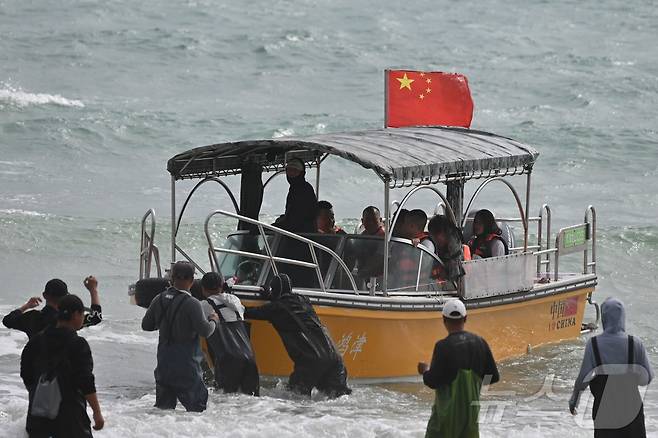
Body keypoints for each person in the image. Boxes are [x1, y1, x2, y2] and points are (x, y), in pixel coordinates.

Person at [244, 274, 351, 398]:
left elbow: (247, 312)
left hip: (311, 360)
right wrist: (272, 298)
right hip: (334, 359)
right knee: (338, 399)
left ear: (274, 291)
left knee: (296, 399)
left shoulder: (275, 309)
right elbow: (288, 307)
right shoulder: (304, 300)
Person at [21, 294, 104, 438]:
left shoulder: (35, 341)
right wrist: (97, 413)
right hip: (70, 418)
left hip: (38, 417)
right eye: (82, 314)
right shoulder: (78, 344)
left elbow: (26, 374)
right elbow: (86, 381)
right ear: (76, 315)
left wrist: (41, 393)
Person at [569, 297, 653, 437]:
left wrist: (574, 400)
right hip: (632, 414)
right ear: (622, 317)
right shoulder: (635, 343)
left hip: (605, 415)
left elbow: (583, 379)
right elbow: (646, 379)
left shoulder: (594, 344)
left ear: (604, 318)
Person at [141, 261, 219, 412]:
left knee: (163, 411)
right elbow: (206, 331)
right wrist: (213, 320)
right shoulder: (192, 303)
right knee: (197, 411)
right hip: (186, 368)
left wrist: (164, 322)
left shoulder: (159, 299)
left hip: (164, 366)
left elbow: (146, 326)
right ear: (191, 280)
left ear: (171, 277)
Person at [418, 299, 499, 438]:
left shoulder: (443, 346)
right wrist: (474, 386)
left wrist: (425, 370)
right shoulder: (480, 342)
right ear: (465, 318)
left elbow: (432, 381)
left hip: (445, 421)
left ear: (444, 320)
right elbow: (494, 376)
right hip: (470, 419)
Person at [200, 272, 260, 396]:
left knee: (225, 405)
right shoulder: (235, 301)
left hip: (228, 362)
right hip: (249, 360)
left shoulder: (204, 306)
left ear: (203, 289)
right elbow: (225, 300)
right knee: (252, 404)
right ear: (221, 286)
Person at [3, 277, 103, 340]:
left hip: (38, 368)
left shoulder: (32, 317)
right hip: (61, 370)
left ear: (44, 295)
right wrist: (93, 290)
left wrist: (26, 306)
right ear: (65, 297)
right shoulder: (66, 320)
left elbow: (7, 321)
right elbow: (95, 317)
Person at [273, 158, 318, 233]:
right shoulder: (295, 189)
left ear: (302, 173)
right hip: (297, 232)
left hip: (303, 234)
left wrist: (276, 226)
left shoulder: (304, 189)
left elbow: (297, 218)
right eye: (289, 170)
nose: (291, 173)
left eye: (295, 171)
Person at [427, 215, 471, 283]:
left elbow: (463, 279)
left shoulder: (462, 252)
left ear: (446, 233)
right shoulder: (435, 248)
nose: (434, 239)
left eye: (436, 235)